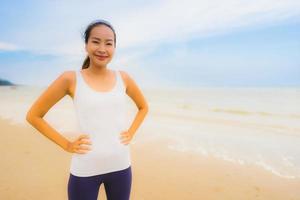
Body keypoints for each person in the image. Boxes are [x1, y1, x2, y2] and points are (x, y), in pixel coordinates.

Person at [26, 19, 149, 200]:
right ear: (86, 45)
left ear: (114, 48)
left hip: (121, 166)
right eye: (96, 41)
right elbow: (34, 116)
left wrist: (131, 132)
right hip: (85, 169)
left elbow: (143, 107)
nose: (102, 48)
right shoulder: (70, 79)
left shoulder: (124, 78)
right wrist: (67, 144)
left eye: (109, 43)